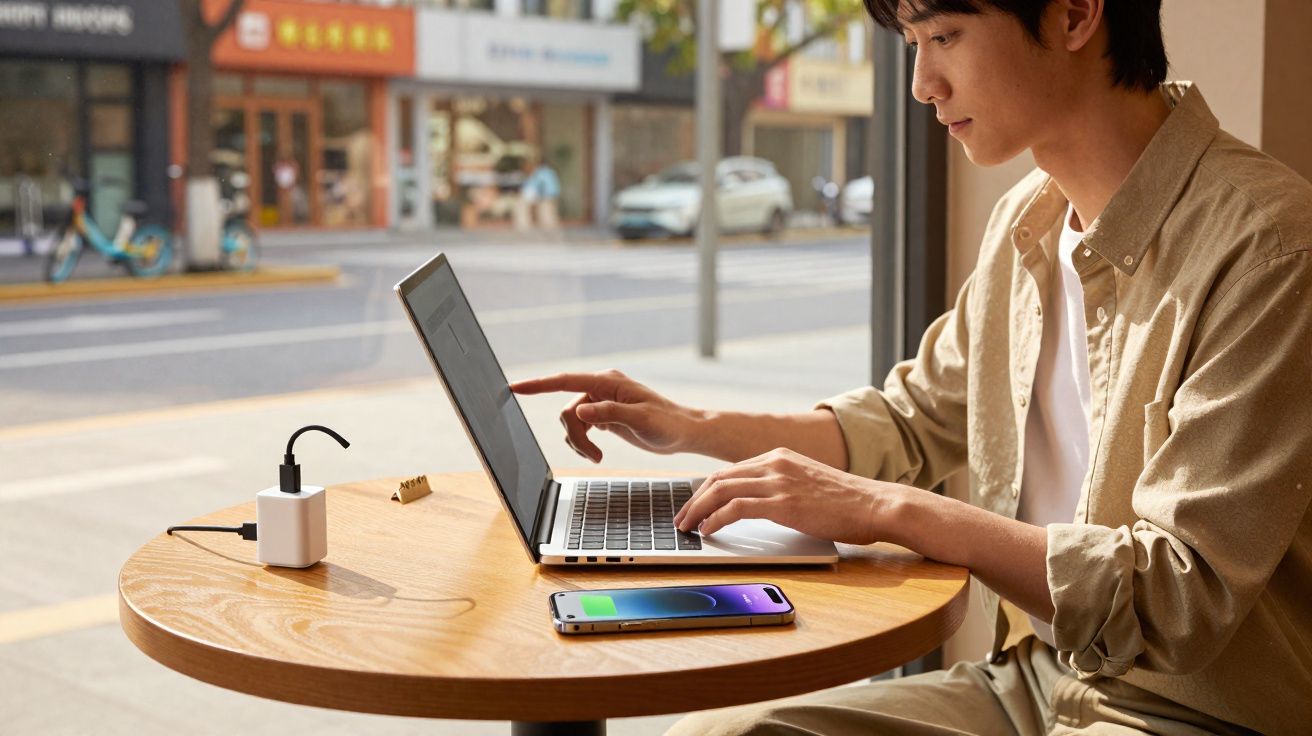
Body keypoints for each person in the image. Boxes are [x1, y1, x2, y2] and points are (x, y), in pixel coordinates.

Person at [511, 0, 1312, 733]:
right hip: (1032, 683)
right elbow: (910, 420)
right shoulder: (1026, 221)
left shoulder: (1270, 248)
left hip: (1195, 714)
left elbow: (1178, 600)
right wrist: (693, 428)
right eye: (913, 44)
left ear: (1074, 16)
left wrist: (894, 511)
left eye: (944, 37)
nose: (924, 84)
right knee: (728, 733)